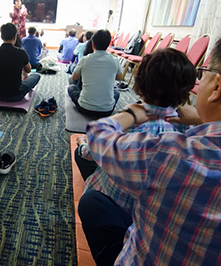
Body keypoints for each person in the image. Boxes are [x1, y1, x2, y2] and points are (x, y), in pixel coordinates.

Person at [79, 23, 221, 266]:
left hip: (125, 220)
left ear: (217, 87)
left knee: (89, 192)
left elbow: (96, 137)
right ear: (183, 91)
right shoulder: (181, 134)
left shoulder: (167, 153)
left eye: (206, 73)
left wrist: (133, 113)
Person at [75, 48, 196, 218]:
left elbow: (92, 150)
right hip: (153, 209)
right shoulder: (188, 128)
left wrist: (82, 144)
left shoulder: (132, 123)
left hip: (115, 203)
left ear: (140, 82)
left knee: (80, 151)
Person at [68, 30, 123, 117]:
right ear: (108, 45)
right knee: (116, 90)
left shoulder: (85, 60)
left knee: (71, 88)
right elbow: (120, 78)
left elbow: (74, 78)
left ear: (92, 44)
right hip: (107, 110)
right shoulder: (115, 60)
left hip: (84, 108)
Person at [0, 23, 40, 102]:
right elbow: (28, 70)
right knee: (36, 76)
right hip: (16, 95)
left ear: (1, 37)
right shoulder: (21, 52)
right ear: (15, 36)